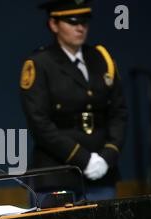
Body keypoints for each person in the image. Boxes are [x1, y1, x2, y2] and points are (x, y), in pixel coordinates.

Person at [20, 0, 127, 201]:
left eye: (84, 21)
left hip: (101, 172)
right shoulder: (40, 63)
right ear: (54, 24)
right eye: (72, 21)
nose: (80, 27)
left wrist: (108, 155)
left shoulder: (101, 58)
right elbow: (39, 123)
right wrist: (83, 159)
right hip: (56, 171)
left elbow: (119, 112)